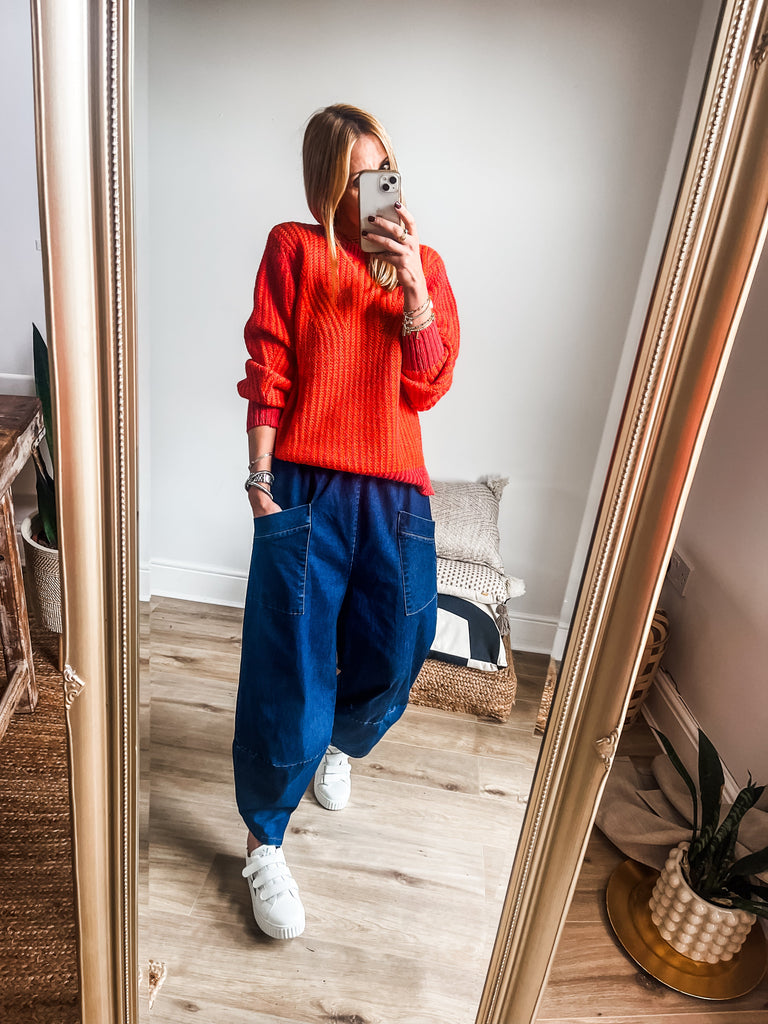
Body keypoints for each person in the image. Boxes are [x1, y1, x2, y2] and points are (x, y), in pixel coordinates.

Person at [234, 103, 460, 940]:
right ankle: (264, 841)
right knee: (288, 663)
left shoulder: (423, 266)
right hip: (303, 485)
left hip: (395, 493)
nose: (374, 192)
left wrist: (414, 292)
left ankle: (339, 744)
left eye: (383, 173)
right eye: (357, 177)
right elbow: (269, 366)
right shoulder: (293, 249)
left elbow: (428, 385)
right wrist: (260, 479)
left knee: (401, 647)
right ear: (328, 184)